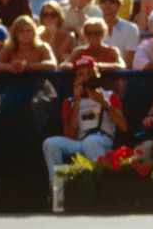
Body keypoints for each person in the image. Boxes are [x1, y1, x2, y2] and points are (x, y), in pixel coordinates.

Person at [42, 57, 124, 197]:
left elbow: (123, 126)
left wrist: (103, 103)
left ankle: (100, 192)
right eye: (81, 74)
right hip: (79, 141)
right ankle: (58, 193)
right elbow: (71, 134)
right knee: (50, 143)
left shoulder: (109, 96)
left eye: (89, 73)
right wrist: (78, 101)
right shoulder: (70, 101)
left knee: (90, 142)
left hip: (102, 141)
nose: (86, 77)